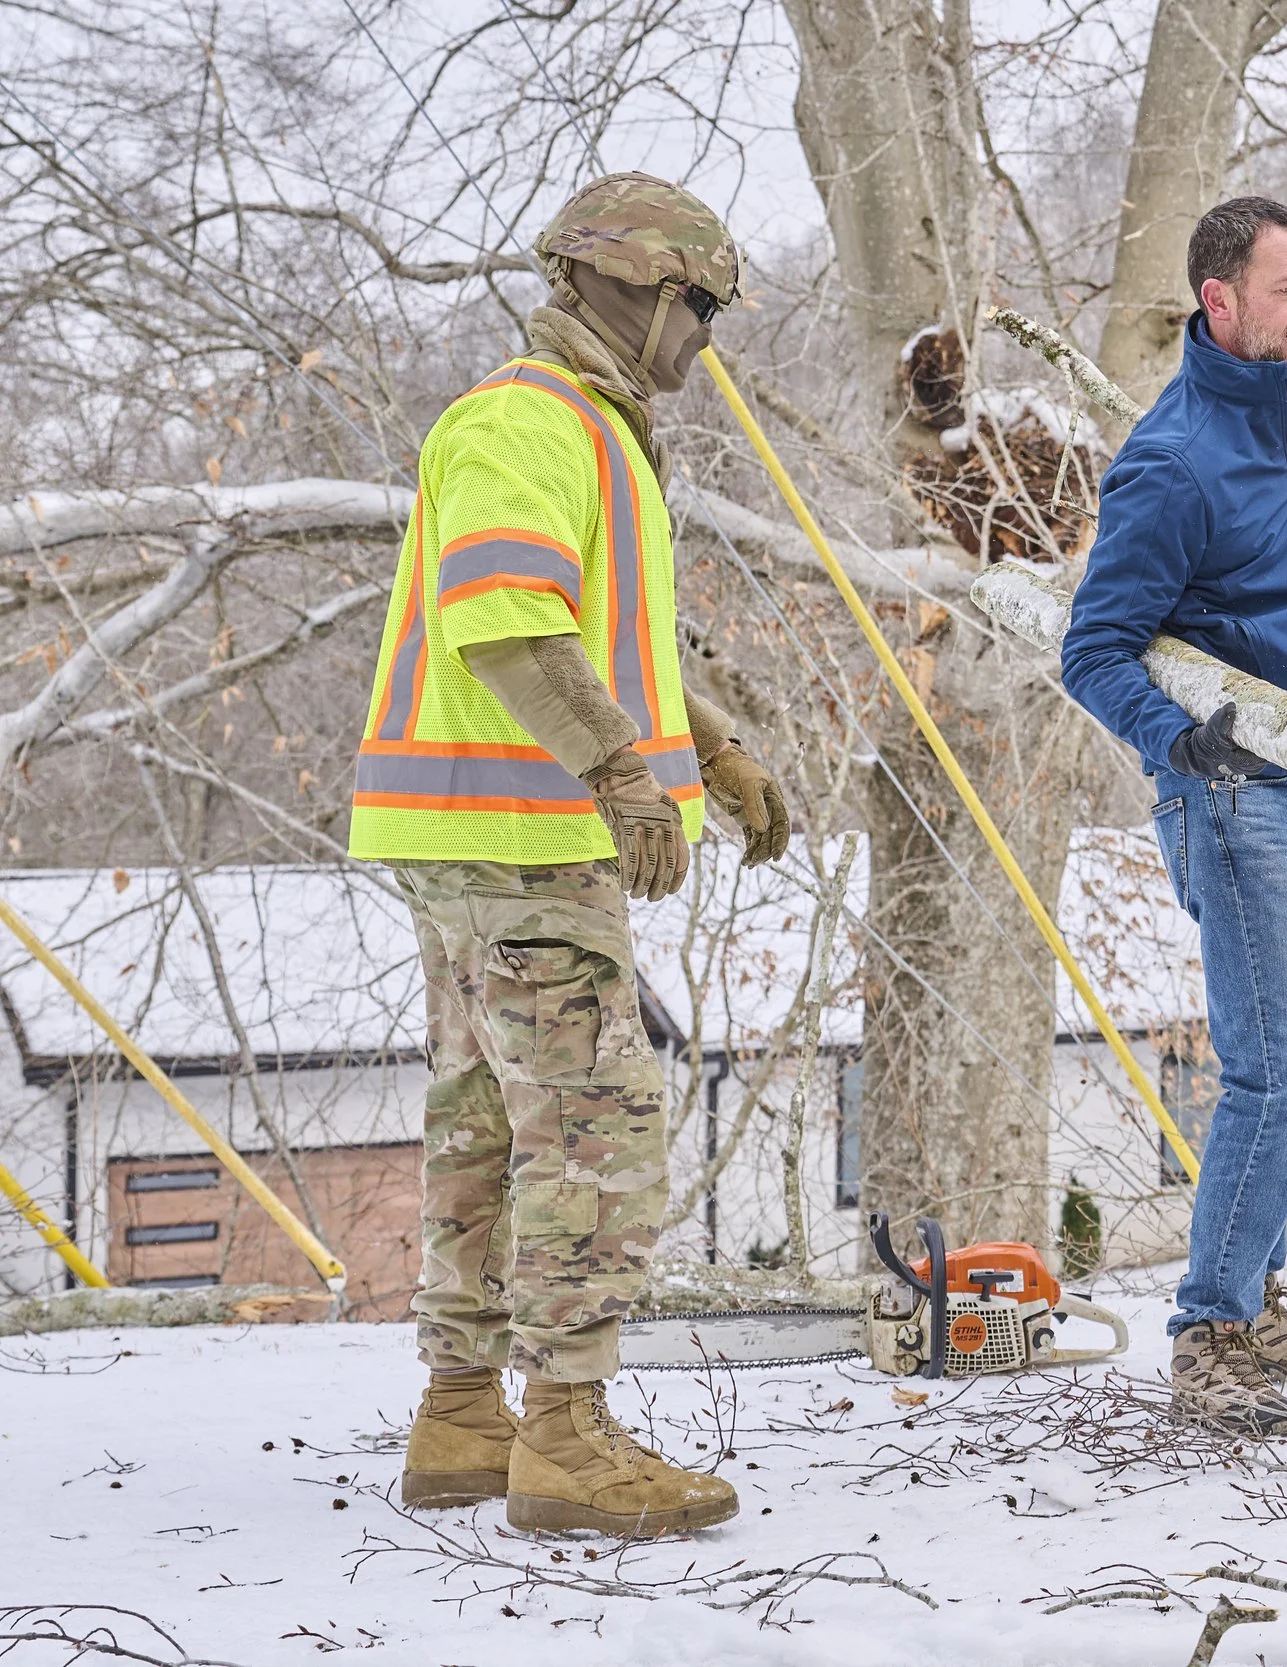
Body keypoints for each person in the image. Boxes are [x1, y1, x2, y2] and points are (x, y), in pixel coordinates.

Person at [349, 173, 791, 1536]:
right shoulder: (526, 421)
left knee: (490, 1131)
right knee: (596, 1136)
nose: (704, 342)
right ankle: (568, 1433)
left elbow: (598, 634)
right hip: (526, 839)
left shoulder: (585, 432)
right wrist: (620, 774)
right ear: (647, 290)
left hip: (479, 840)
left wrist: (703, 745)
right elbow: (510, 623)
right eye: (699, 309)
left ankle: (464, 1414)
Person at [1061, 197, 1287, 1436]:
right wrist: (1176, 739)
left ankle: (1256, 1296)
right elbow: (1092, 651)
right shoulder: (1168, 458)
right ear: (1220, 302)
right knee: (1272, 1072)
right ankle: (1209, 1331)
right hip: (1233, 794)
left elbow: (1256, 561)